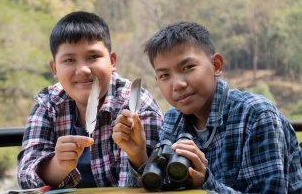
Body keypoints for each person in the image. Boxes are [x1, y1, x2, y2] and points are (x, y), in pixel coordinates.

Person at [113, 21, 302, 193]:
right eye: (164, 76)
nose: (177, 84)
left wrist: (205, 181)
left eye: (188, 67)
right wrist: (139, 156)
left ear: (216, 65)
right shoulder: (173, 119)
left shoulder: (256, 115)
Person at [17, 11, 163, 189]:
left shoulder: (136, 106)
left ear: (112, 61)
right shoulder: (49, 103)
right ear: (54, 68)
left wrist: (137, 155)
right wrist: (57, 165)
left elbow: (149, 186)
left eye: (93, 57)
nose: (83, 70)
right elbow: (25, 175)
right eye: (69, 60)